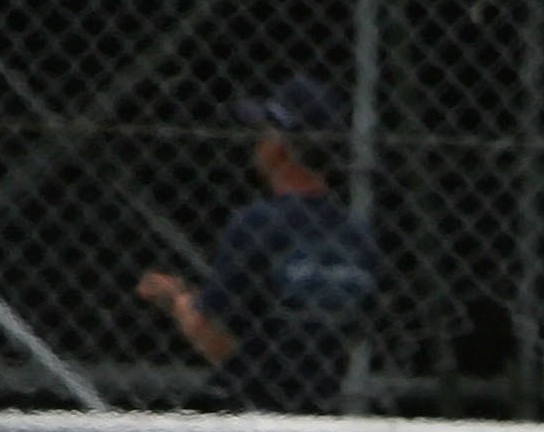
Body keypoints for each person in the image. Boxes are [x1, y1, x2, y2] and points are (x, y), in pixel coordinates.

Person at [135, 77, 378, 414]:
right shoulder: (355, 234)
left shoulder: (257, 224)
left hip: (255, 411)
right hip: (321, 410)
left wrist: (176, 298)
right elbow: (352, 338)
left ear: (279, 146)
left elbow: (214, 336)